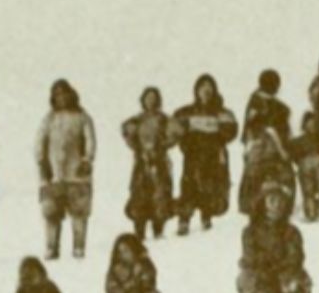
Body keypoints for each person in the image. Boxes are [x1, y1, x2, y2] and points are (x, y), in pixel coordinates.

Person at [237, 182, 311, 293]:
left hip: (283, 280)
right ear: (263, 203)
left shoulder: (291, 231)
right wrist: (269, 268)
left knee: (297, 277)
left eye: (280, 200)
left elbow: (296, 258)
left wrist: (279, 269)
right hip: (262, 279)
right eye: (271, 200)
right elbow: (251, 258)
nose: (276, 205)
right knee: (247, 277)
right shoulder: (250, 231)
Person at [35, 79, 96, 260]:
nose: (61, 98)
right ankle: (51, 247)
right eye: (57, 95)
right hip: (53, 175)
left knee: (79, 213)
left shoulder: (82, 117)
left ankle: (78, 247)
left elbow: (90, 140)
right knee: (51, 213)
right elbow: (40, 142)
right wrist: (42, 163)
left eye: (64, 94)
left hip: (77, 175)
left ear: (72, 94)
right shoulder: (49, 119)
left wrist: (87, 159)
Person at [172, 73, 239, 235]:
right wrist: (186, 141)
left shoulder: (222, 112)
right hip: (193, 154)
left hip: (213, 155)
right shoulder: (186, 111)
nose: (206, 91)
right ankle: (184, 219)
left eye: (210, 88)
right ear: (197, 91)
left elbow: (231, 131)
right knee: (189, 184)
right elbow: (175, 130)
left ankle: (206, 216)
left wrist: (216, 134)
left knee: (210, 185)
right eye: (203, 87)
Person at [122, 86, 180, 239]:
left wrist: (162, 146)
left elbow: (176, 133)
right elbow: (127, 133)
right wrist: (138, 147)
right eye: (148, 98)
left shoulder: (164, 119)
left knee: (160, 193)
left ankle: (158, 228)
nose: (151, 101)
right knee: (139, 194)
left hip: (160, 162)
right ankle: (139, 229)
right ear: (143, 100)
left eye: (154, 98)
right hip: (141, 163)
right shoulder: (137, 120)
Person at [239, 69, 295, 220]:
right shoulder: (258, 103)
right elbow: (255, 127)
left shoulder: (276, 106)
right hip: (263, 147)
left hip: (266, 149)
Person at [287, 111, 319, 223]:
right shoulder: (300, 141)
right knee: (310, 191)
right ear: (304, 125)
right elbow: (292, 153)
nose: (312, 126)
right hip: (307, 165)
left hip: (317, 165)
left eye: (314, 124)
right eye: (310, 123)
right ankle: (313, 211)